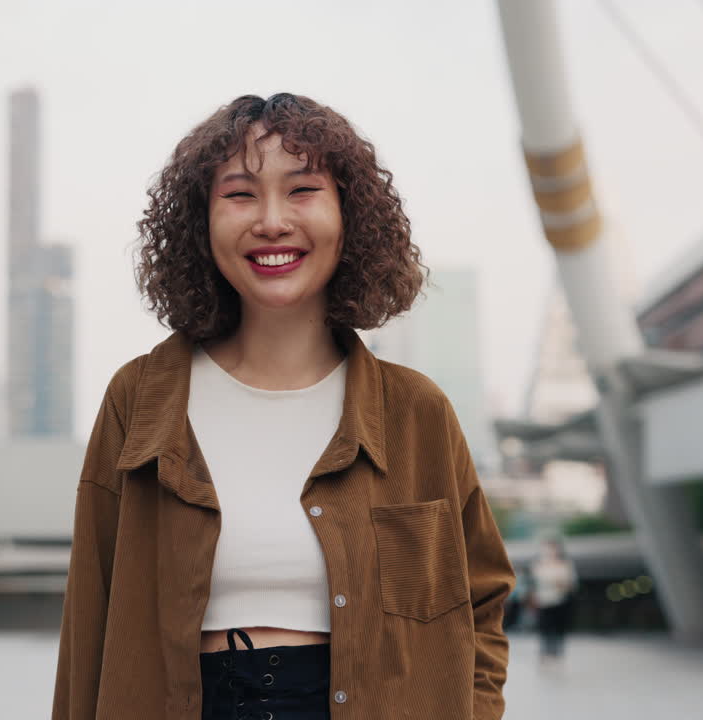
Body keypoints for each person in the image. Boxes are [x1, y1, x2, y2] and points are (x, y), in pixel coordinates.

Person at [51, 93, 515, 720]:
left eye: (302, 191)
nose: (271, 221)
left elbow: (482, 603)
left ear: (349, 216)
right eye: (239, 194)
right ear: (200, 223)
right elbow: (89, 625)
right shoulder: (138, 400)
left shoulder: (416, 413)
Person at [529, 537, 577, 663]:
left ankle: (557, 652)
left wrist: (560, 583)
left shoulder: (565, 564)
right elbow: (534, 584)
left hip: (560, 601)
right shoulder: (538, 564)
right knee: (545, 627)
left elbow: (570, 584)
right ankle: (545, 652)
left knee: (558, 627)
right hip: (543, 601)